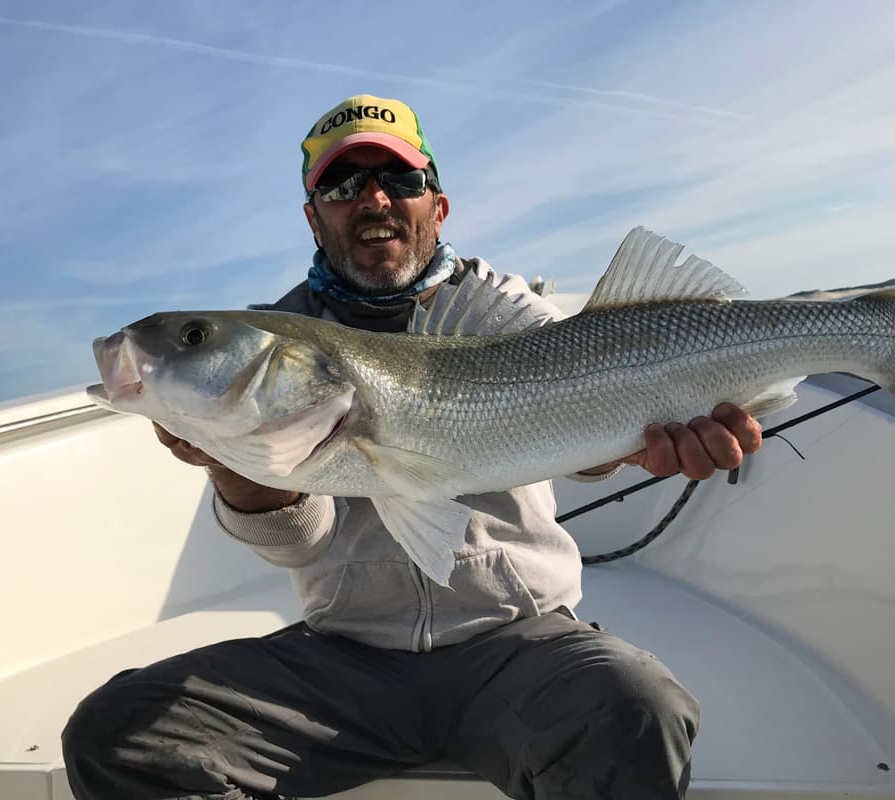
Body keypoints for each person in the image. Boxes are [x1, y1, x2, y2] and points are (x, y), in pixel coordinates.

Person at [61, 94, 763, 800]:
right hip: (344, 662)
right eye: (342, 186)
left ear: (437, 205)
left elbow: (581, 420)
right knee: (119, 733)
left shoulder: (502, 309)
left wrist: (636, 444)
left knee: (638, 708)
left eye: (399, 180)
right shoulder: (282, 333)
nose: (373, 200)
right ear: (314, 216)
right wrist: (231, 462)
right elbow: (299, 544)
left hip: (518, 645)